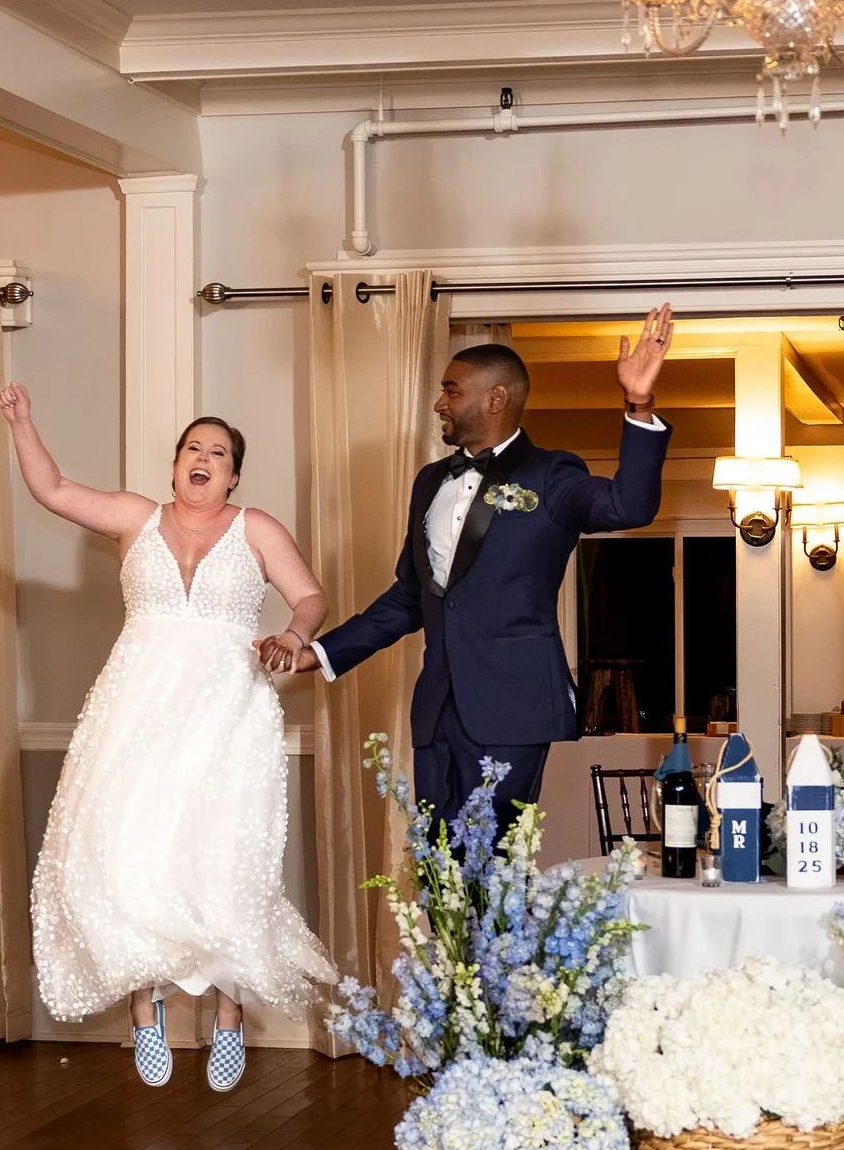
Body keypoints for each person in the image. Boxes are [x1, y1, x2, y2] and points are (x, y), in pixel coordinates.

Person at [0, 387, 334, 1092]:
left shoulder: (256, 528)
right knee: (131, 847)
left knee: (222, 852)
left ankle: (227, 1016)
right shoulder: (135, 518)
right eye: (193, 449)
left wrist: (294, 636)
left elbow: (310, 596)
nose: (203, 459)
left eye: (219, 453)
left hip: (226, 709)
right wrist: (24, 423)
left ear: (234, 475)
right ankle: (143, 1007)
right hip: (135, 707)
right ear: (176, 464)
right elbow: (53, 490)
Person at [265, 313, 674, 837]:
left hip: (515, 705)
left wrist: (639, 405)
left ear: (495, 399)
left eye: (450, 391)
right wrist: (320, 653)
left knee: (495, 867)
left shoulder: (552, 475)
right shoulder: (430, 480)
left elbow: (629, 506)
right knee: (441, 868)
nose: (439, 403)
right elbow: (410, 597)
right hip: (436, 708)